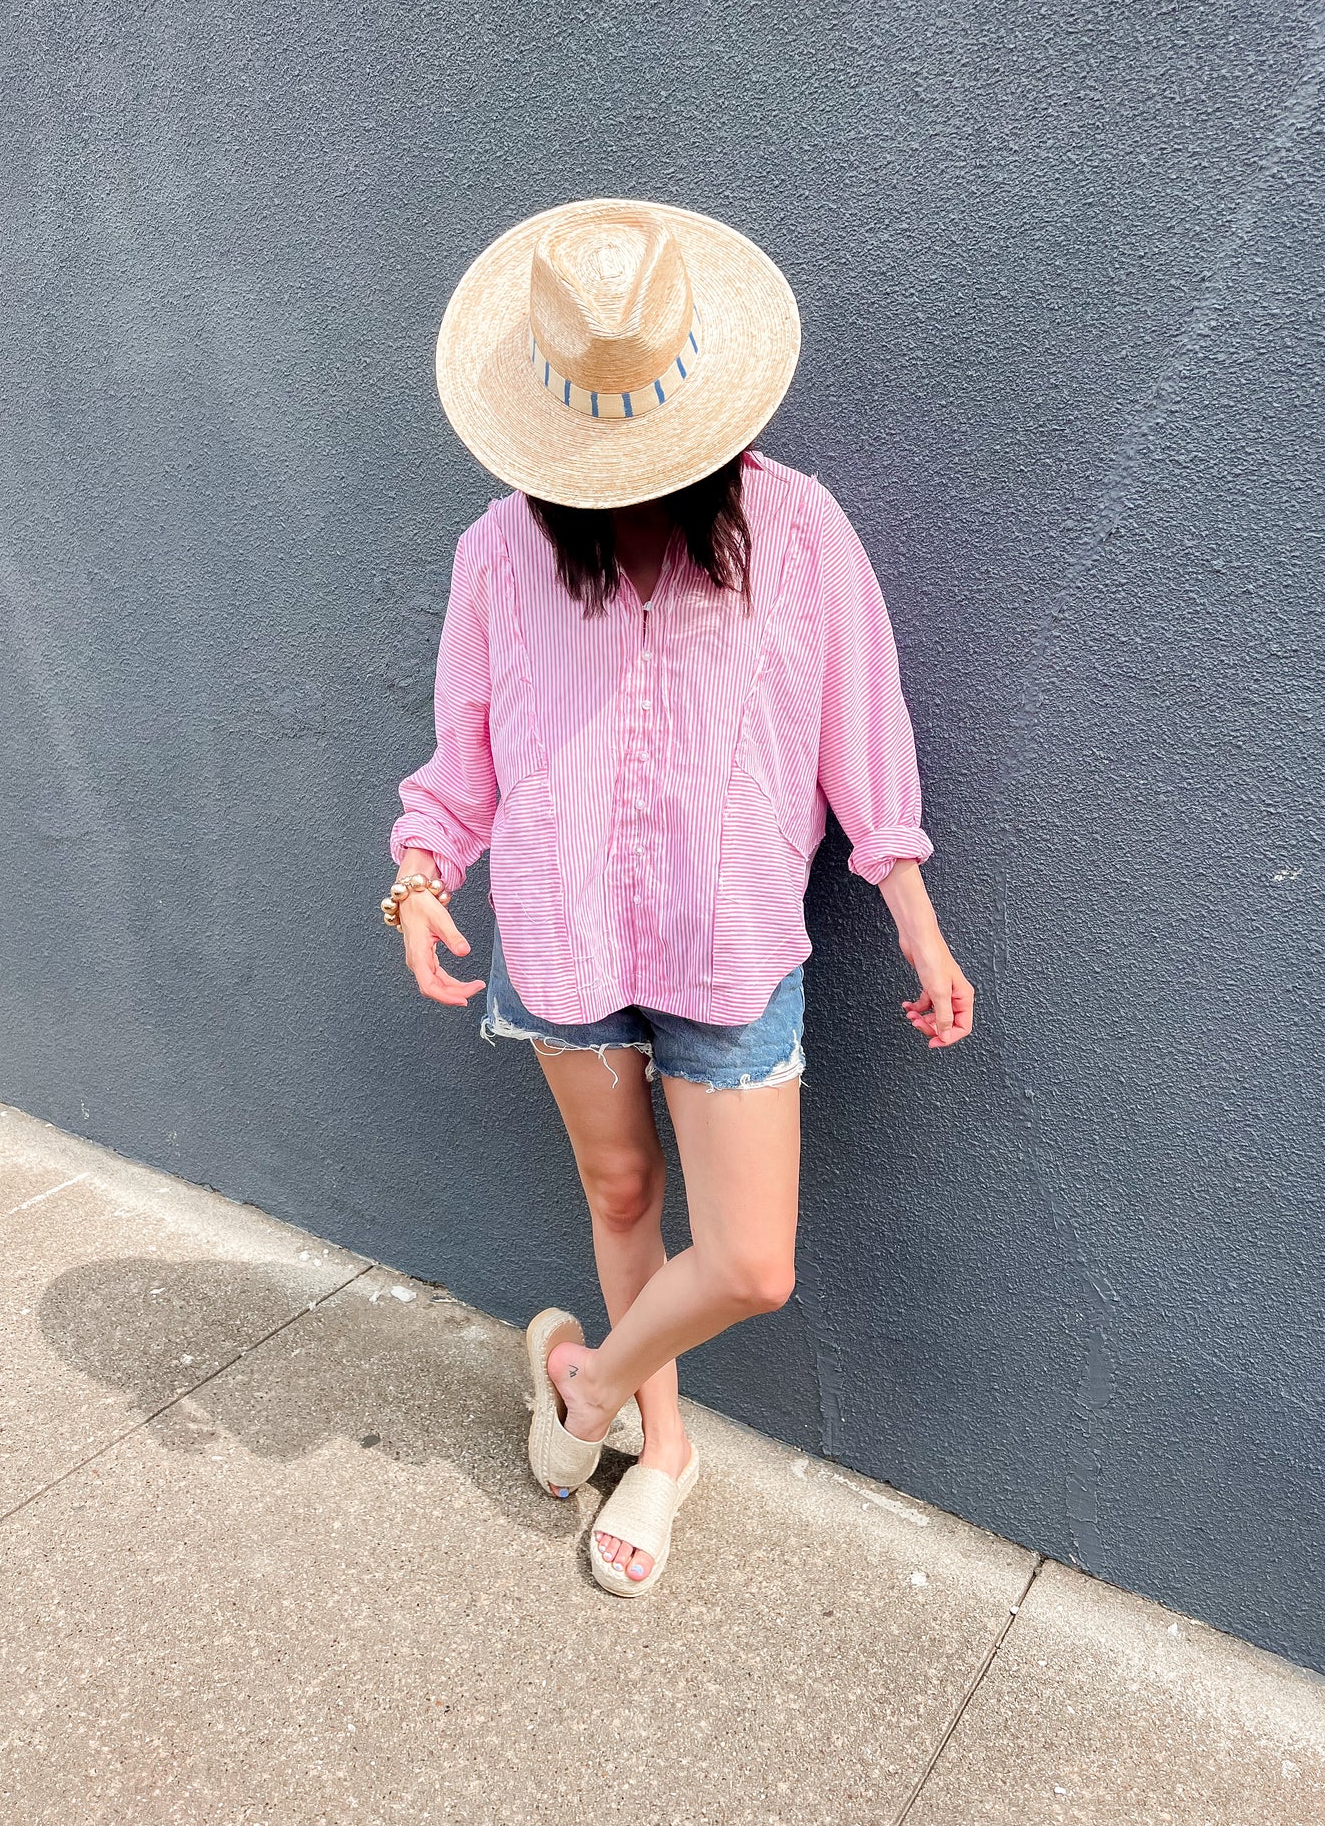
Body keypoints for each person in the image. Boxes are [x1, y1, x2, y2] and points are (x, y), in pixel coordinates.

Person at [386, 198, 974, 1598]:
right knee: (619, 1187)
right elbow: (463, 751)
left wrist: (912, 911)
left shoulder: (797, 531)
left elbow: (858, 728)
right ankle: (661, 1447)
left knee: (750, 1262)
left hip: (734, 941)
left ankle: (583, 1388)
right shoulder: (499, 549)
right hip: (562, 929)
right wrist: (416, 876)